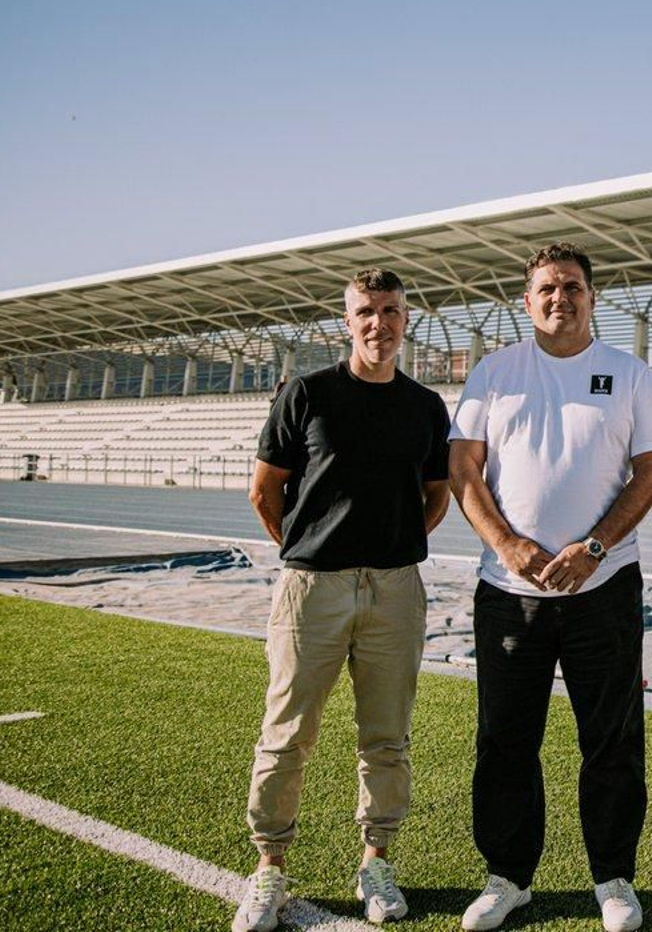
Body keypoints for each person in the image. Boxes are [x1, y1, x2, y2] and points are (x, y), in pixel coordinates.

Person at [448, 242, 652, 932]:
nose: (561, 298)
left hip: (603, 588)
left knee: (611, 740)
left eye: (573, 286)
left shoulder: (626, 372)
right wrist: (509, 543)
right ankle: (509, 877)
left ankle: (612, 877)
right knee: (504, 739)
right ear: (528, 301)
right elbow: (464, 468)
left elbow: (650, 471)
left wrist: (595, 546)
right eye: (548, 288)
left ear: (592, 296)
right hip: (508, 591)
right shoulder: (495, 373)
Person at [236, 267, 451, 931]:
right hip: (313, 586)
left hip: (394, 589)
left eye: (390, 310)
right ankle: (269, 866)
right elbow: (265, 491)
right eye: (365, 311)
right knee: (287, 734)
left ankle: (375, 860)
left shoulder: (425, 405)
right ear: (346, 320)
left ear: (404, 319)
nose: (377, 322)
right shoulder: (307, 393)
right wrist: (310, 545)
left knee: (386, 737)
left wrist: (386, 545)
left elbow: (435, 496)